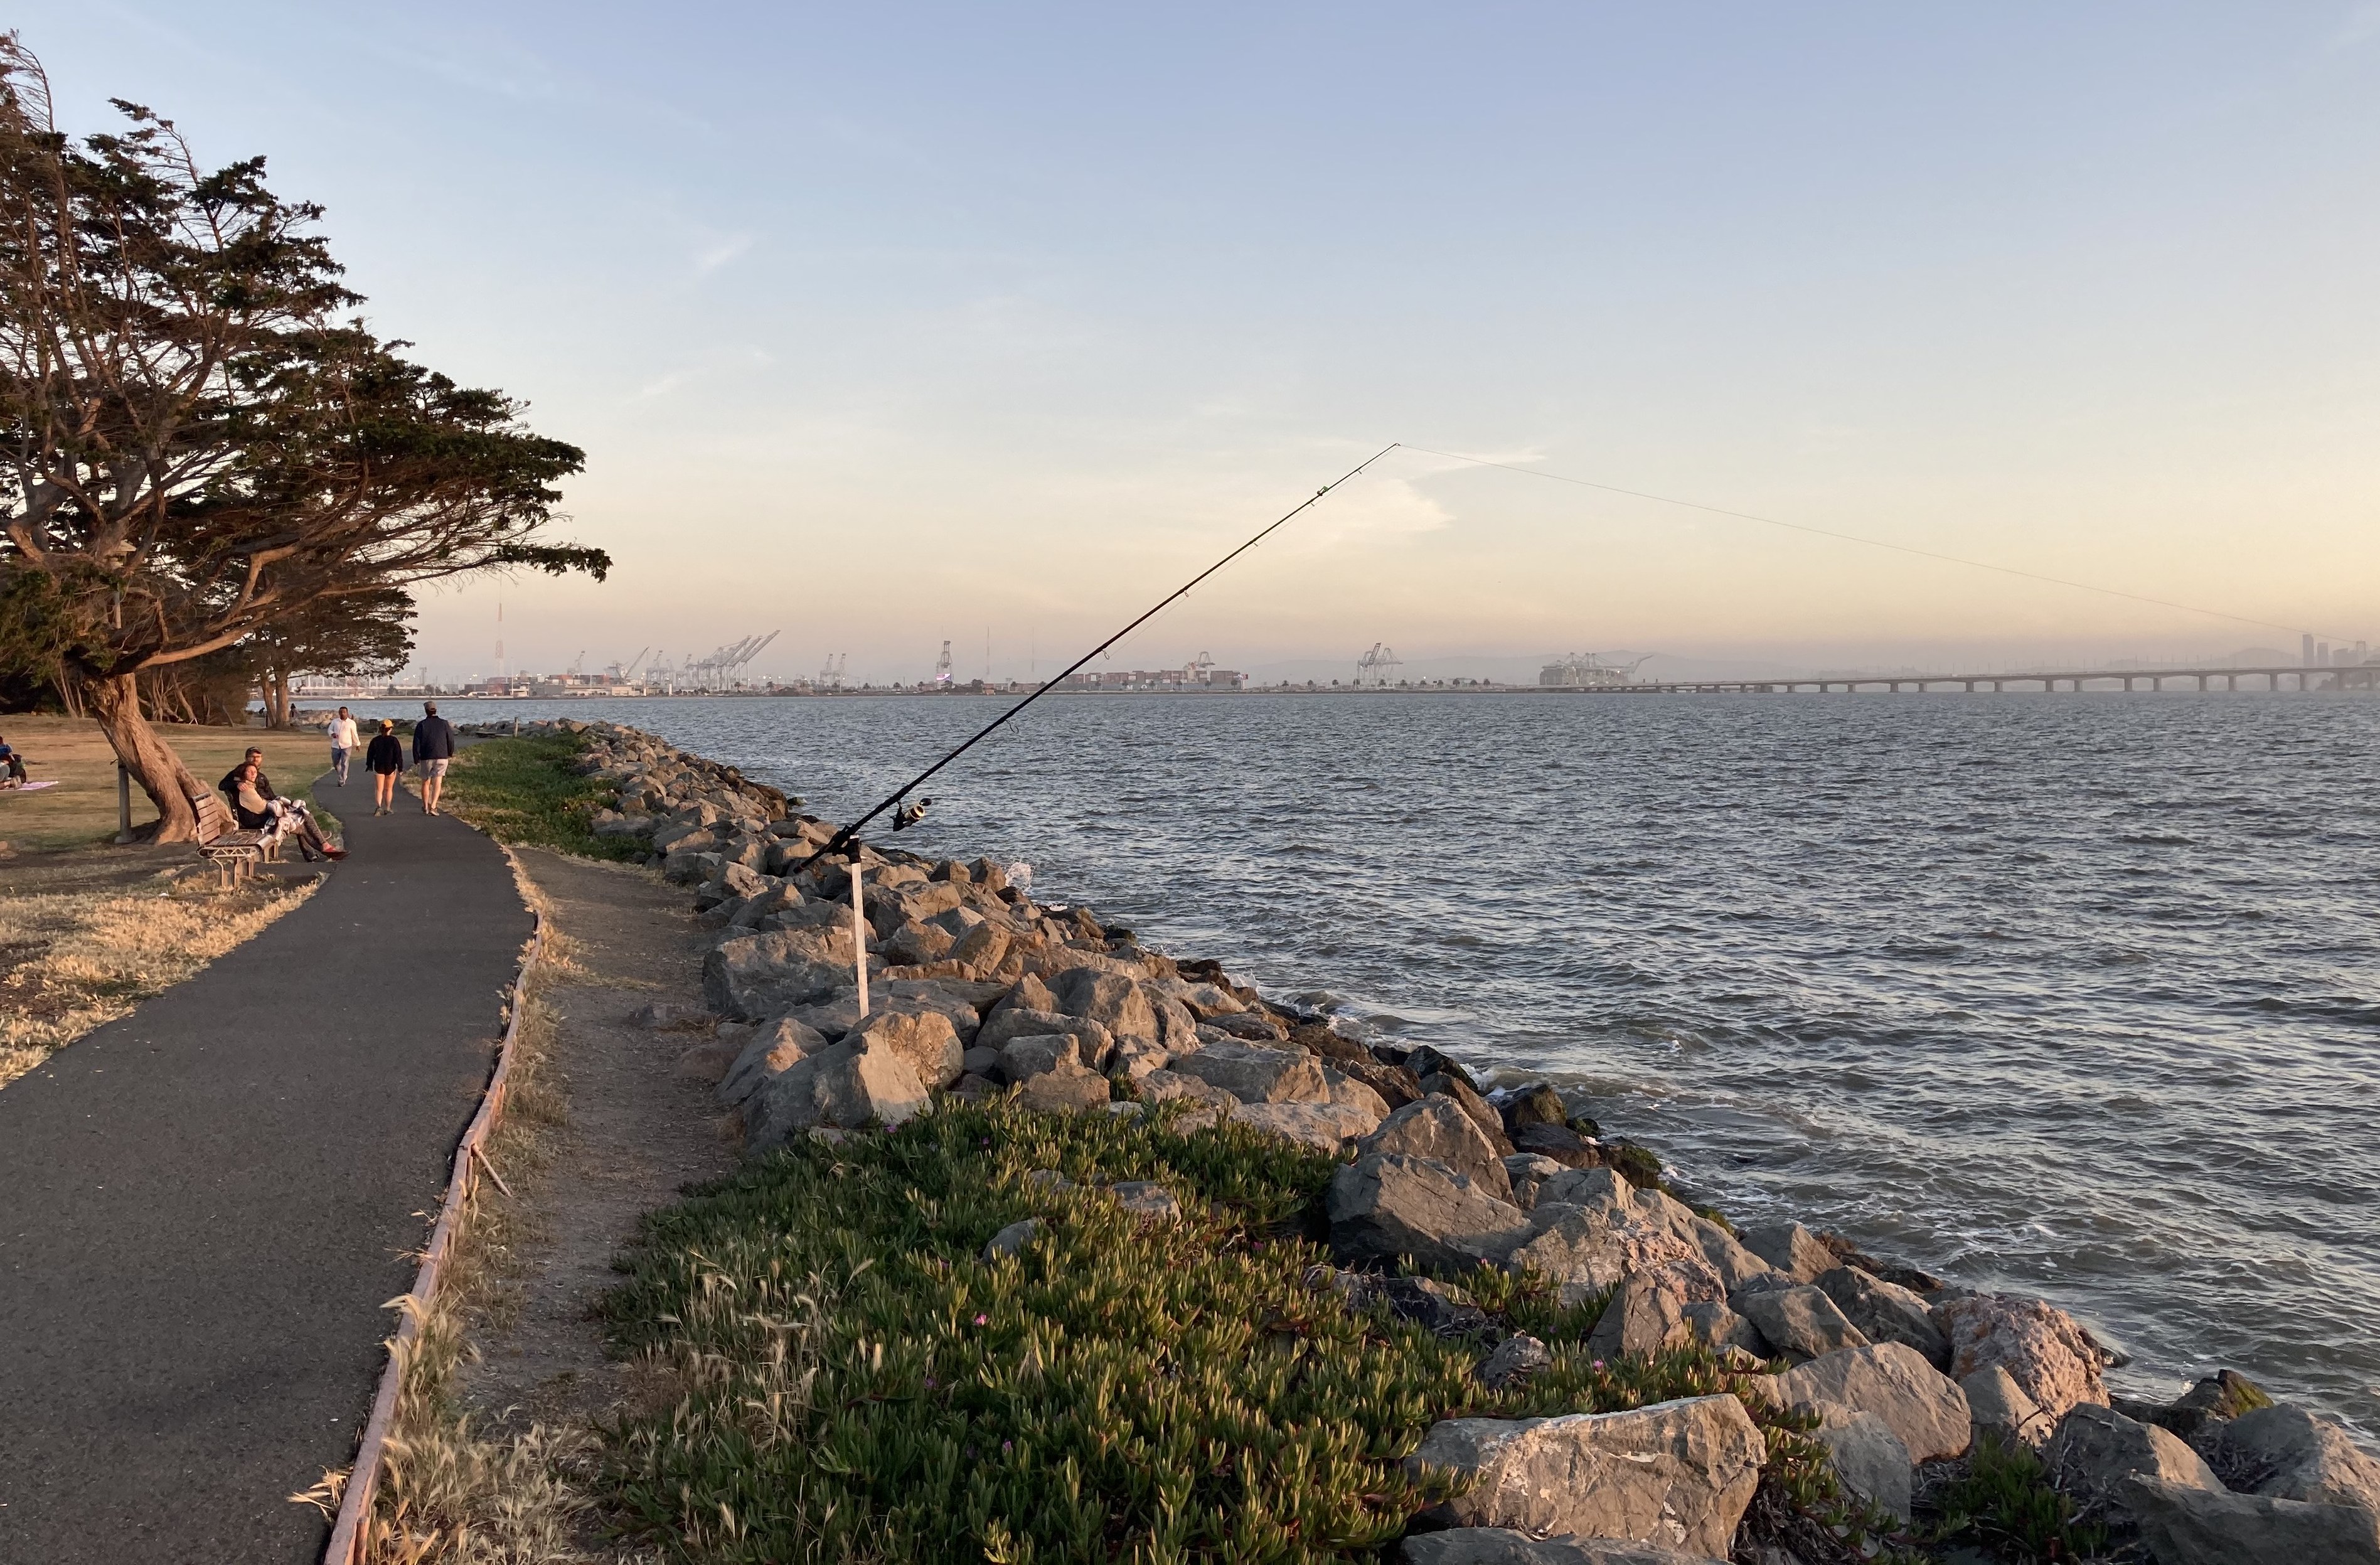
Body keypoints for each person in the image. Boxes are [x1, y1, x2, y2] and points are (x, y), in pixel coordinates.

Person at [227, 759, 344, 862]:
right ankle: (323, 845)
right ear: (243, 774)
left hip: (262, 817)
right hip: (257, 821)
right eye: (249, 772)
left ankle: (323, 846)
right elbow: (262, 807)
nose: (253, 774)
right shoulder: (246, 789)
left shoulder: (250, 785)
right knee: (304, 817)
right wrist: (280, 805)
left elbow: (267, 799)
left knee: (303, 820)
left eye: (255, 772)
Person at [412, 700, 457, 816]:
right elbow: (450, 739)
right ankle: (434, 806)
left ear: (426, 711)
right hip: (442, 756)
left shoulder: (422, 725)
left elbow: (416, 743)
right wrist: (450, 752)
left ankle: (425, 806)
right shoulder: (444, 723)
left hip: (426, 756)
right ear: (436, 710)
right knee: (438, 781)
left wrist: (416, 758)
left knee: (426, 781)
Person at [366, 719, 405, 816]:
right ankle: (388, 808)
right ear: (390, 729)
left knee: (379, 789)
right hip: (391, 767)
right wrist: (400, 768)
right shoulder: (394, 740)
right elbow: (398, 756)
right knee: (389, 789)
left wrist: (369, 765)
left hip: (379, 766)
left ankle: (379, 807)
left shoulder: (375, 740)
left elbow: (370, 754)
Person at [326, 706, 360, 786]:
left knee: (344, 763)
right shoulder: (335, 722)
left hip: (347, 746)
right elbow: (329, 730)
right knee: (336, 763)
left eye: (344, 712)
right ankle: (343, 774)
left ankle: (342, 780)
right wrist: (332, 734)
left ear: (347, 713)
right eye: (341, 712)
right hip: (336, 746)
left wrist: (357, 744)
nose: (342, 714)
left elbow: (354, 734)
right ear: (339, 713)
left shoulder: (351, 723)